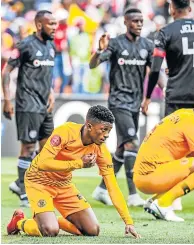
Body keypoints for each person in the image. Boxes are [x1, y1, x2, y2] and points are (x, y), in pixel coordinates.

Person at [6, 105, 141, 238]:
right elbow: (42, 163)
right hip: (39, 181)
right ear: (89, 126)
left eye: (109, 131)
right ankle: (19, 222)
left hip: (64, 184)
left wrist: (128, 221)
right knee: (49, 231)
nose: (106, 135)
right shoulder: (65, 132)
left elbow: (112, 186)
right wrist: (79, 163)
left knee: (93, 230)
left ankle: (51, 220)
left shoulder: (101, 150)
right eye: (104, 130)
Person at [141, 0, 194, 210]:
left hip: (175, 95)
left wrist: (148, 96)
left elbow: (156, 67)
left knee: (172, 146)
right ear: (190, 8)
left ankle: (171, 196)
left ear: (171, 8)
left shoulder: (166, 31)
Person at [89, 8, 154, 207]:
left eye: (141, 21)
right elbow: (93, 65)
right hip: (118, 102)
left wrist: (156, 93)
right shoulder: (116, 44)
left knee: (121, 148)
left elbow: (155, 71)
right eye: (135, 21)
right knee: (132, 143)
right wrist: (99, 50)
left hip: (135, 102)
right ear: (125, 23)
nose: (139, 24)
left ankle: (101, 189)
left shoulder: (147, 45)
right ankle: (133, 194)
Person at [134, 97, 194, 222]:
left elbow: (186, 155)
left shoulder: (183, 114)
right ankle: (163, 203)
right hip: (152, 176)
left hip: (143, 177)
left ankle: (156, 200)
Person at [2, 10, 57, 207]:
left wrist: (50, 91)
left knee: (47, 148)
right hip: (27, 104)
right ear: (39, 25)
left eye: (55, 23)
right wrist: (7, 100)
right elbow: (6, 72)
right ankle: (25, 192)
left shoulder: (52, 46)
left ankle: (20, 182)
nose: (54, 27)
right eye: (50, 23)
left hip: (45, 104)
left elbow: (47, 73)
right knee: (28, 147)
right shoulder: (24, 45)